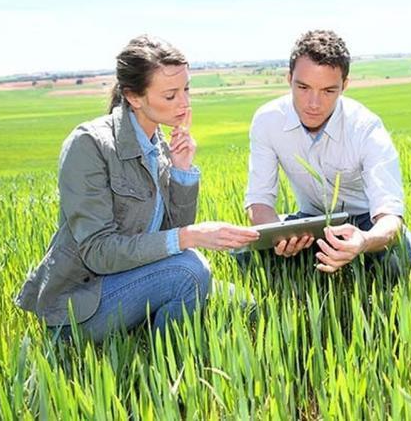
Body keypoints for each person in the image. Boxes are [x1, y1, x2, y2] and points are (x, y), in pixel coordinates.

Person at [15, 34, 259, 343]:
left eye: (186, 89)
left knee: (248, 307)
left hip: (140, 276)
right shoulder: (89, 145)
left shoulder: (159, 143)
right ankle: (170, 366)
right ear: (133, 97)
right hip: (84, 303)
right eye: (170, 96)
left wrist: (182, 170)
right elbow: (98, 252)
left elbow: (170, 234)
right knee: (189, 271)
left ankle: (154, 318)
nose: (184, 103)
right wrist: (192, 237)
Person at [243, 30, 411, 278]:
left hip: (363, 223)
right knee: (244, 253)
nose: (313, 103)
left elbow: (390, 217)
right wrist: (278, 236)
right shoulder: (267, 120)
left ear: (344, 86)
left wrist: (364, 241)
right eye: (303, 87)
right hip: (308, 223)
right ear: (289, 78)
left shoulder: (365, 127)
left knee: (399, 256)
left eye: (328, 91)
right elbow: (259, 200)